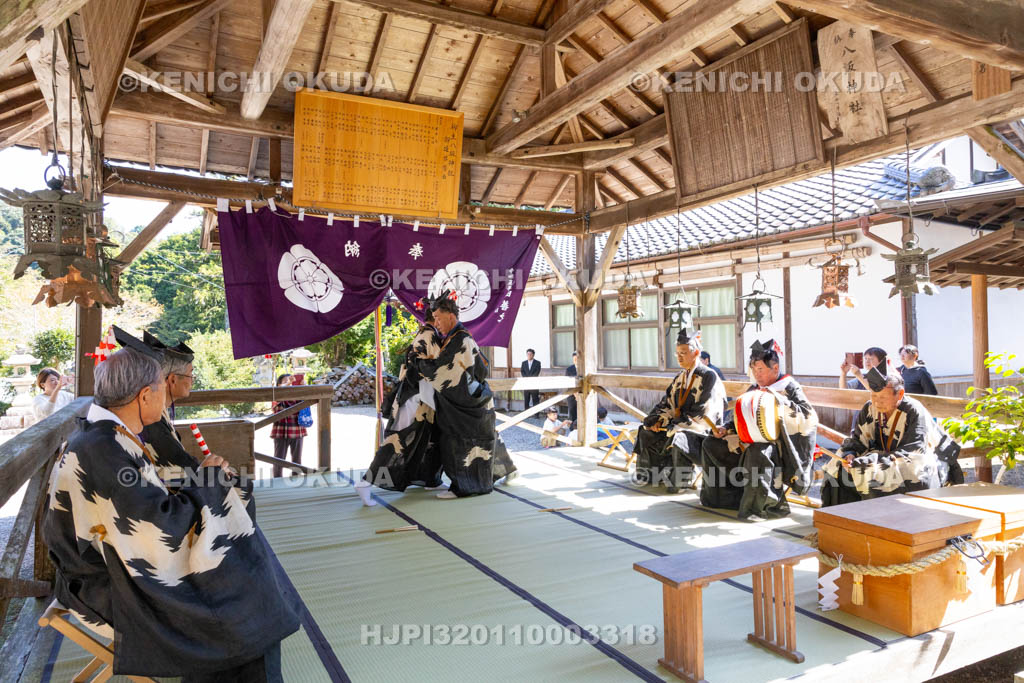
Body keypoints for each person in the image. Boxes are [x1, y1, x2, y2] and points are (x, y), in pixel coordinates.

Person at [43, 347, 298, 681]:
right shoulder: (102, 450)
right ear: (145, 395)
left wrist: (208, 483)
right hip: (106, 587)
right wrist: (208, 481)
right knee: (242, 608)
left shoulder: (103, 437)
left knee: (244, 574)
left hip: (112, 566)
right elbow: (159, 531)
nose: (165, 393)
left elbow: (145, 508)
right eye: (162, 385)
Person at [410, 291, 517, 498]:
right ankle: (505, 471)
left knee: (460, 443)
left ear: (451, 316)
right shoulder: (454, 337)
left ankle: (465, 486)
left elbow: (443, 371)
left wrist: (418, 362)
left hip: (467, 399)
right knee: (481, 440)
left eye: (439, 318)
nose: (437, 323)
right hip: (469, 398)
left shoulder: (460, 339)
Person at [701, 340, 818, 520]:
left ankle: (762, 507)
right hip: (748, 440)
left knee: (759, 451)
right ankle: (727, 498)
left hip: (779, 447)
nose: (756, 374)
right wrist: (725, 428)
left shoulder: (788, 386)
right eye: (754, 370)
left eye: (760, 370)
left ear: (775, 368)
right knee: (712, 443)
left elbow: (807, 415)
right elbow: (741, 416)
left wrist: (779, 400)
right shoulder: (755, 388)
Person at [821, 367, 962, 506]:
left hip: (916, 461)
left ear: (900, 394)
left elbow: (913, 450)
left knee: (874, 472)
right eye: (873, 395)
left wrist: (869, 462)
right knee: (837, 467)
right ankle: (844, 520)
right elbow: (858, 439)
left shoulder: (914, 410)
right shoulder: (869, 408)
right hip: (884, 456)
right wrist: (850, 455)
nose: (877, 401)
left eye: (882, 397)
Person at [358, 300, 444, 506]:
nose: (441, 323)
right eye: (439, 318)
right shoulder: (429, 336)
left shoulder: (428, 334)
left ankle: (430, 478)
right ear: (435, 318)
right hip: (416, 397)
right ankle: (366, 482)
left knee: (429, 440)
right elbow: (432, 371)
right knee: (400, 439)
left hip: (419, 396)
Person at [634, 329, 725, 494]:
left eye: (683, 353)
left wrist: (674, 425)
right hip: (678, 425)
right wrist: (659, 420)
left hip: (701, 430)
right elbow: (667, 403)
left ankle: (681, 481)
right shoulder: (680, 377)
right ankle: (650, 476)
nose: (679, 357)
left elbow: (704, 413)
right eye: (677, 353)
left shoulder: (709, 376)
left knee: (678, 437)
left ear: (696, 353)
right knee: (646, 430)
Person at [113, 327, 200, 483]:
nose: (192, 379)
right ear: (171, 380)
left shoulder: (153, 414)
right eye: (190, 374)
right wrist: (211, 470)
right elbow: (182, 469)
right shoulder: (150, 420)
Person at [270, 373, 306, 478]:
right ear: (279, 384)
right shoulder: (276, 394)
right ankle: (277, 479)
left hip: (297, 430)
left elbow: (310, 401)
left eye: (291, 381)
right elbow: (276, 399)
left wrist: (304, 386)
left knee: (297, 459)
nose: (289, 383)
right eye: (285, 381)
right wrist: (289, 383)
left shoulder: (299, 395)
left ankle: (296, 479)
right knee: (278, 459)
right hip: (281, 431)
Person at [565, 351, 579, 423]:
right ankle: (573, 430)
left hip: (582, 393)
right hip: (572, 394)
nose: (576, 361)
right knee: (572, 413)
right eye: (574, 359)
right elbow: (568, 383)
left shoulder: (585, 368)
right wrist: (575, 394)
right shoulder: (569, 369)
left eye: (577, 359)